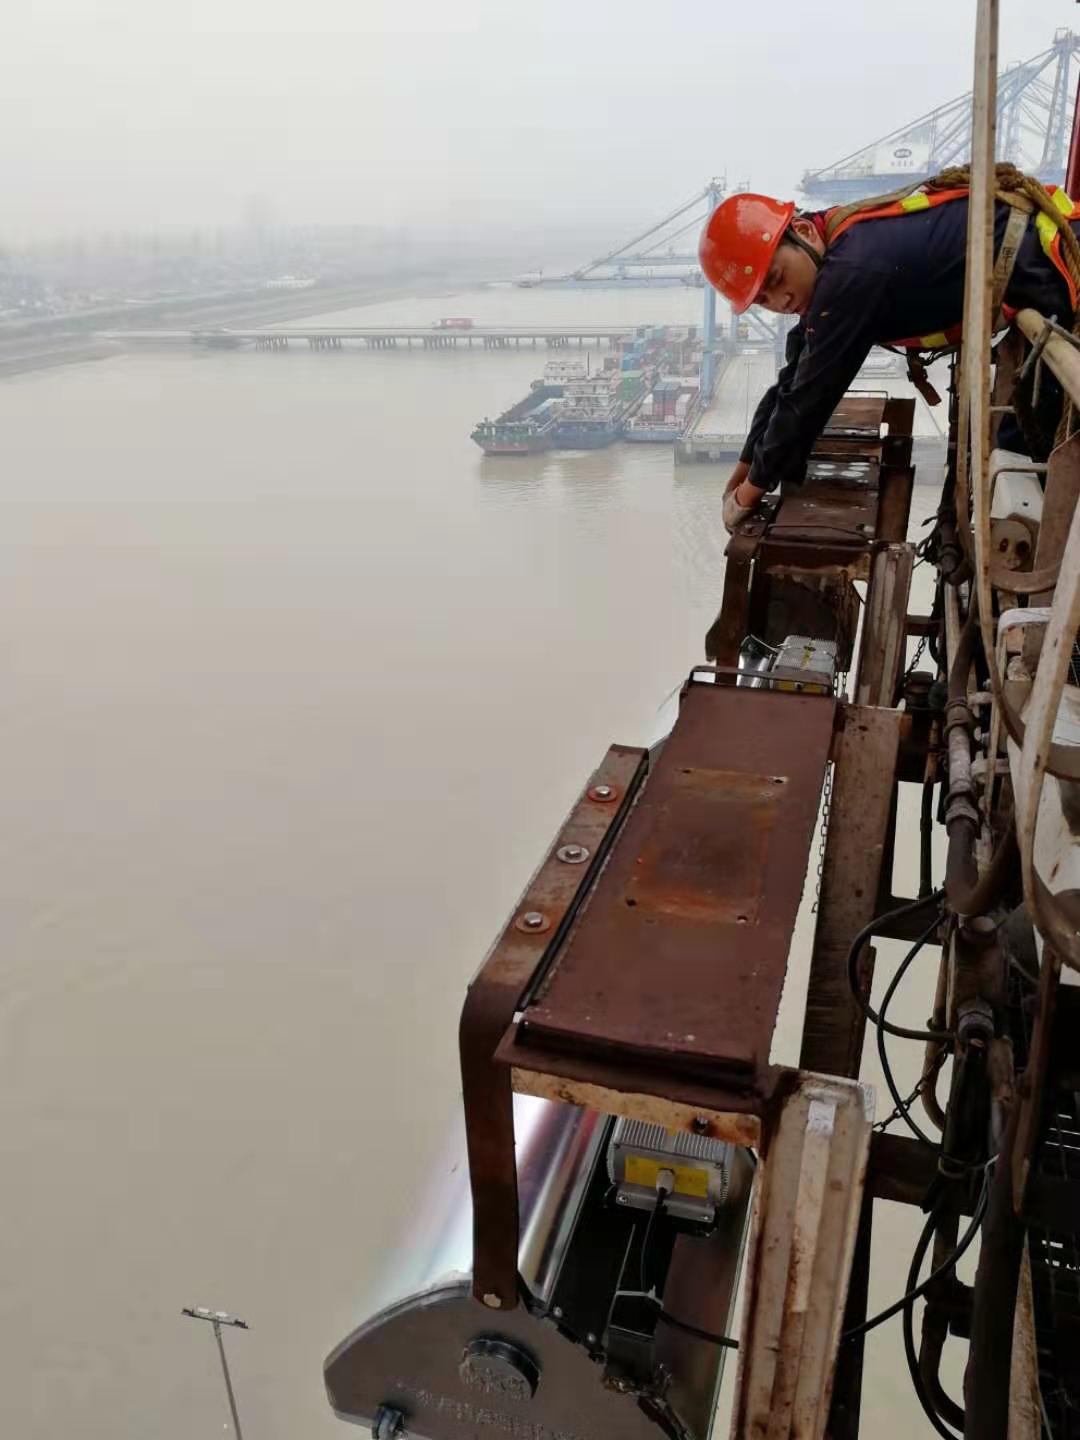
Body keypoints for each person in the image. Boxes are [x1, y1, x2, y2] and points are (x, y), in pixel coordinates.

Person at [699, 176, 1080, 531]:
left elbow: (808, 401)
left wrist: (747, 497)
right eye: (763, 300)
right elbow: (791, 380)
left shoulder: (851, 272)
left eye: (777, 279)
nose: (780, 301)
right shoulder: (838, 246)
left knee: (1033, 451)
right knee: (1018, 448)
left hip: (1060, 271)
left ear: (803, 232)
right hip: (1043, 276)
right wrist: (745, 469)